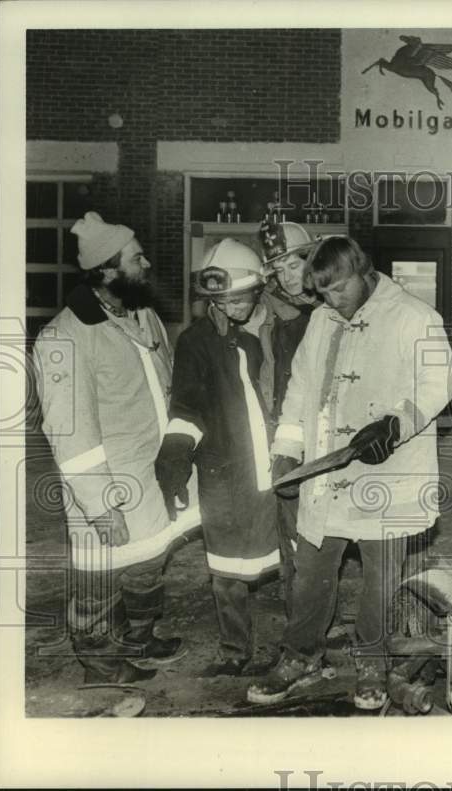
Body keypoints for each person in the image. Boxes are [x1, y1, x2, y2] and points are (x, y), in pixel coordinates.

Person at [248, 237, 452, 708]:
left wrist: (396, 423)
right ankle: (300, 656)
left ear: (364, 270)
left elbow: (440, 381)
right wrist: (287, 447)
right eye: (322, 293)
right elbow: (301, 387)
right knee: (311, 573)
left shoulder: (414, 317)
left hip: (389, 472)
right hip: (328, 474)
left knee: (380, 579)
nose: (331, 301)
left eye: (339, 289)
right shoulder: (323, 320)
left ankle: (372, 661)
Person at [34, 211, 189, 684]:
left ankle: (138, 638)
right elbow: (69, 430)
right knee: (100, 578)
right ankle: (100, 660)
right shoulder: (63, 337)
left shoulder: (146, 318)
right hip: (106, 487)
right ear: (106, 269)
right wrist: (100, 505)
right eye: (136, 258)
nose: (145, 265)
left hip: (151, 475)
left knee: (147, 564)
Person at [154, 238, 280, 676]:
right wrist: (175, 457)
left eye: (248, 295)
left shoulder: (257, 338)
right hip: (224, 472)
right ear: (217, 300)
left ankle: (297, 643)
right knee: (227, 567)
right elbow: (186, 408)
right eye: (233, 298)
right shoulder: (195, 343)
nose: (243, 304)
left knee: (276, 558)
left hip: (268, 466)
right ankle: (234, 650)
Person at [256, 220, 318, 615]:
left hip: (327, 433)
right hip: (285, 430)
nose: (287, 277)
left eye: (293, 266)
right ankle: (300, 617)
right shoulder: (271, 314)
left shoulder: (331, 308)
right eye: (278, 270)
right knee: (292, 528)